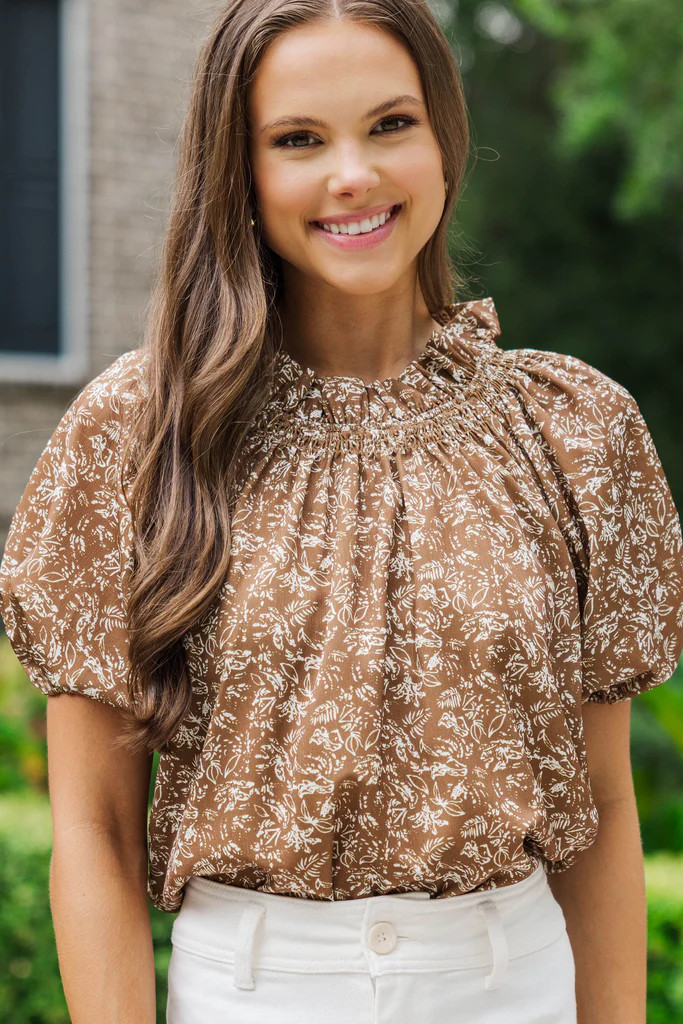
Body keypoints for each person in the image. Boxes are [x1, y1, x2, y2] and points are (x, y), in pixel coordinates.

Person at [1, 1, 682, 1022]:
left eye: (389, 124)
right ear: (240, 171)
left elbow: (601, 810)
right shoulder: (138, 434)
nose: (352, 173)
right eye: (297, 140)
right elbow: (94, 828)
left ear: (445, 140)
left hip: (516, 986)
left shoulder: (572, 431)